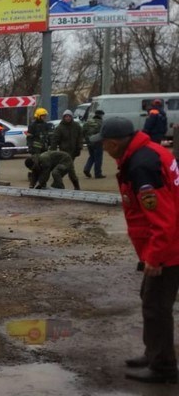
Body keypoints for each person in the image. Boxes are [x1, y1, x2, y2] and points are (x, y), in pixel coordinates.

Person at [90, 117, 179, 384]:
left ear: (114, 143)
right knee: (150, 298)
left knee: (156, 306)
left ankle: (163, 367)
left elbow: (164, 219)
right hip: (167, 243)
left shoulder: (142, 166)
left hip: (169, 246)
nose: (103, 150)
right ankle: (154, 353)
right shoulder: (147, 153)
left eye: (104, 145)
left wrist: (155, 257)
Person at [50, 109, 84, 190]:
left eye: (69, 116)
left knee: (66, 169)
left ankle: (57, 183)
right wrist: (52, 151)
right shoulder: (60, 128)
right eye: (66, 116)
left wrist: (79, 147)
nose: (68, 118)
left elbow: (80, 137)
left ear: (71, 117)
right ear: (63, 117)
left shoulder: (76, 126)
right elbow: (55, 140)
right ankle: (75, 186)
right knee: (69, 169)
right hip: (64, 153)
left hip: (73, 152)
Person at [26, 107, 54, 187]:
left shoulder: (46, 125)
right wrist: (30, 147)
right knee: (36, 166)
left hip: (44, 149)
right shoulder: (32, 126)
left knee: (44, 166)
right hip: (35, 150)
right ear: (38, 116)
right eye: (43, 116)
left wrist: (50, 145)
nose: (44, 117)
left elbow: (49, 137)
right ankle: (32, 182)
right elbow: (29, 138)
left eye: (45, 116)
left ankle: (42, 182)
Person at [82, 110, 106, 179]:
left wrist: (86, 140)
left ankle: (87, 168)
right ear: (101, 115)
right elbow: (103, 133)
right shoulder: (101, 123)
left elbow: (83, 131)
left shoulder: (88, 122)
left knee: (92, 156)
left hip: (89, 142)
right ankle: (98, 173)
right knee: (98, 158)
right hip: (97, 142)